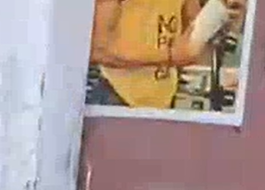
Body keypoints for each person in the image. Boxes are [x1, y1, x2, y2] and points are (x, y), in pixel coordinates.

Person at [87, 0, 246, 109]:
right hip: (116, 97)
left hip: (163, 102)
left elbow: (191, 45)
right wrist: (170, 55)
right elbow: (99, 51)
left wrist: (221, 15)